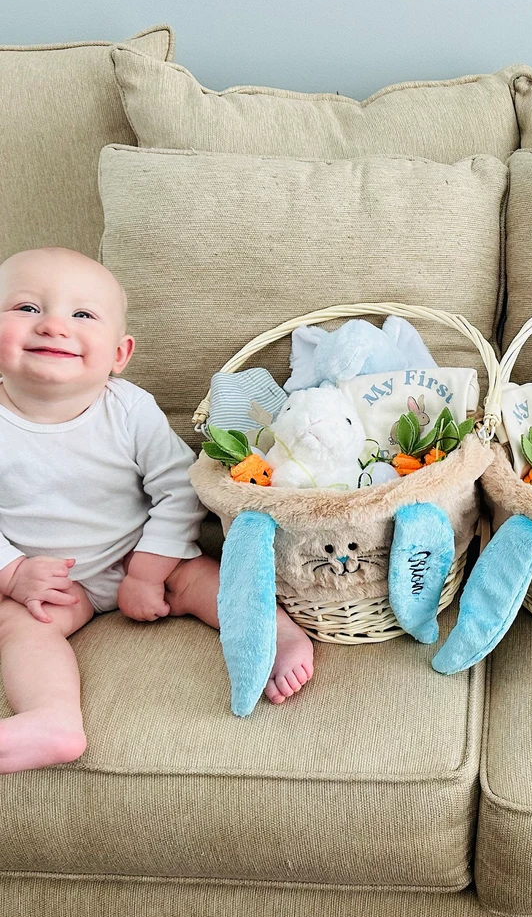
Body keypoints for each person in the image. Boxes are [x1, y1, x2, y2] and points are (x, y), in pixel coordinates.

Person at [0, 248, 314, 774]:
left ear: (119, 353)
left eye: (82, 314)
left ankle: (277, 632)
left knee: (208, 577)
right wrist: (14, 574)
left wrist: (147, 570)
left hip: (138, 553)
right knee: (17, 627)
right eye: (27, 308)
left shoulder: (129, 409)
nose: (53, 325)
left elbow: (181, 488)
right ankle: (52, 719)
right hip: (48, 580)